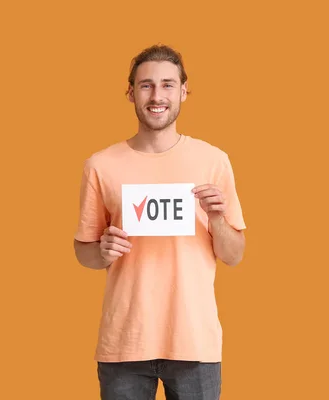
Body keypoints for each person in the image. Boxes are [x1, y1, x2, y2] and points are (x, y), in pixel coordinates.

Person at [73, 44, 247, 400]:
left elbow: (234, 255)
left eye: (168, 84)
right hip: (124, 342)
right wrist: (102, 251)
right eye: (146, 85)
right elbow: (84, 251)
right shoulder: (100, 165)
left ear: (183, 91)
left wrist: (216, 218)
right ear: (131, 92)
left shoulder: (213, 160)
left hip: (194, 343)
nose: (157, 95)